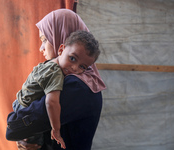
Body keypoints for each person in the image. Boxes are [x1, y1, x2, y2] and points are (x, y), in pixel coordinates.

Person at [7, 9, 106, 150]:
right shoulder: (70, 78)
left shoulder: (77, 86)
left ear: (61, 39)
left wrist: (20, 129)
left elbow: (13, 129)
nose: (41, 48)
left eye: (45, 39)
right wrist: (28, 138)